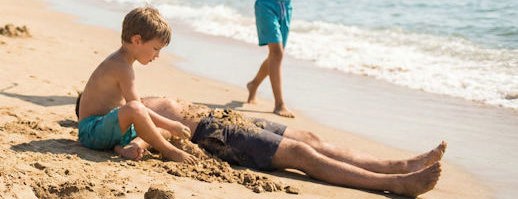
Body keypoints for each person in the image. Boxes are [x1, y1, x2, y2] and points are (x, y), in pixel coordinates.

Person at [134, 98, 444, 197]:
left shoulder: (134, 95)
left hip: (223, 118)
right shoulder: (130, 111)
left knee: (311, 138)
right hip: (214, 133)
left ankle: (398, 165)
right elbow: (142, 132)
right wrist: (136, 146)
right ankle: (395, 184)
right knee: (301, 155)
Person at [76, 6, 197, 164]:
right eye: (155, 49)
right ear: (137, 41)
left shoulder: (125, 63)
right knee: (138, 110)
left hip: (111, 129)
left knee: (161, 129)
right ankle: (169, 151)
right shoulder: (120, 66)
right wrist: (172, 124)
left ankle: (128, 146)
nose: (157, 55)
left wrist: (169, 126)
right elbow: (136, 107)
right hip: (92, 131)